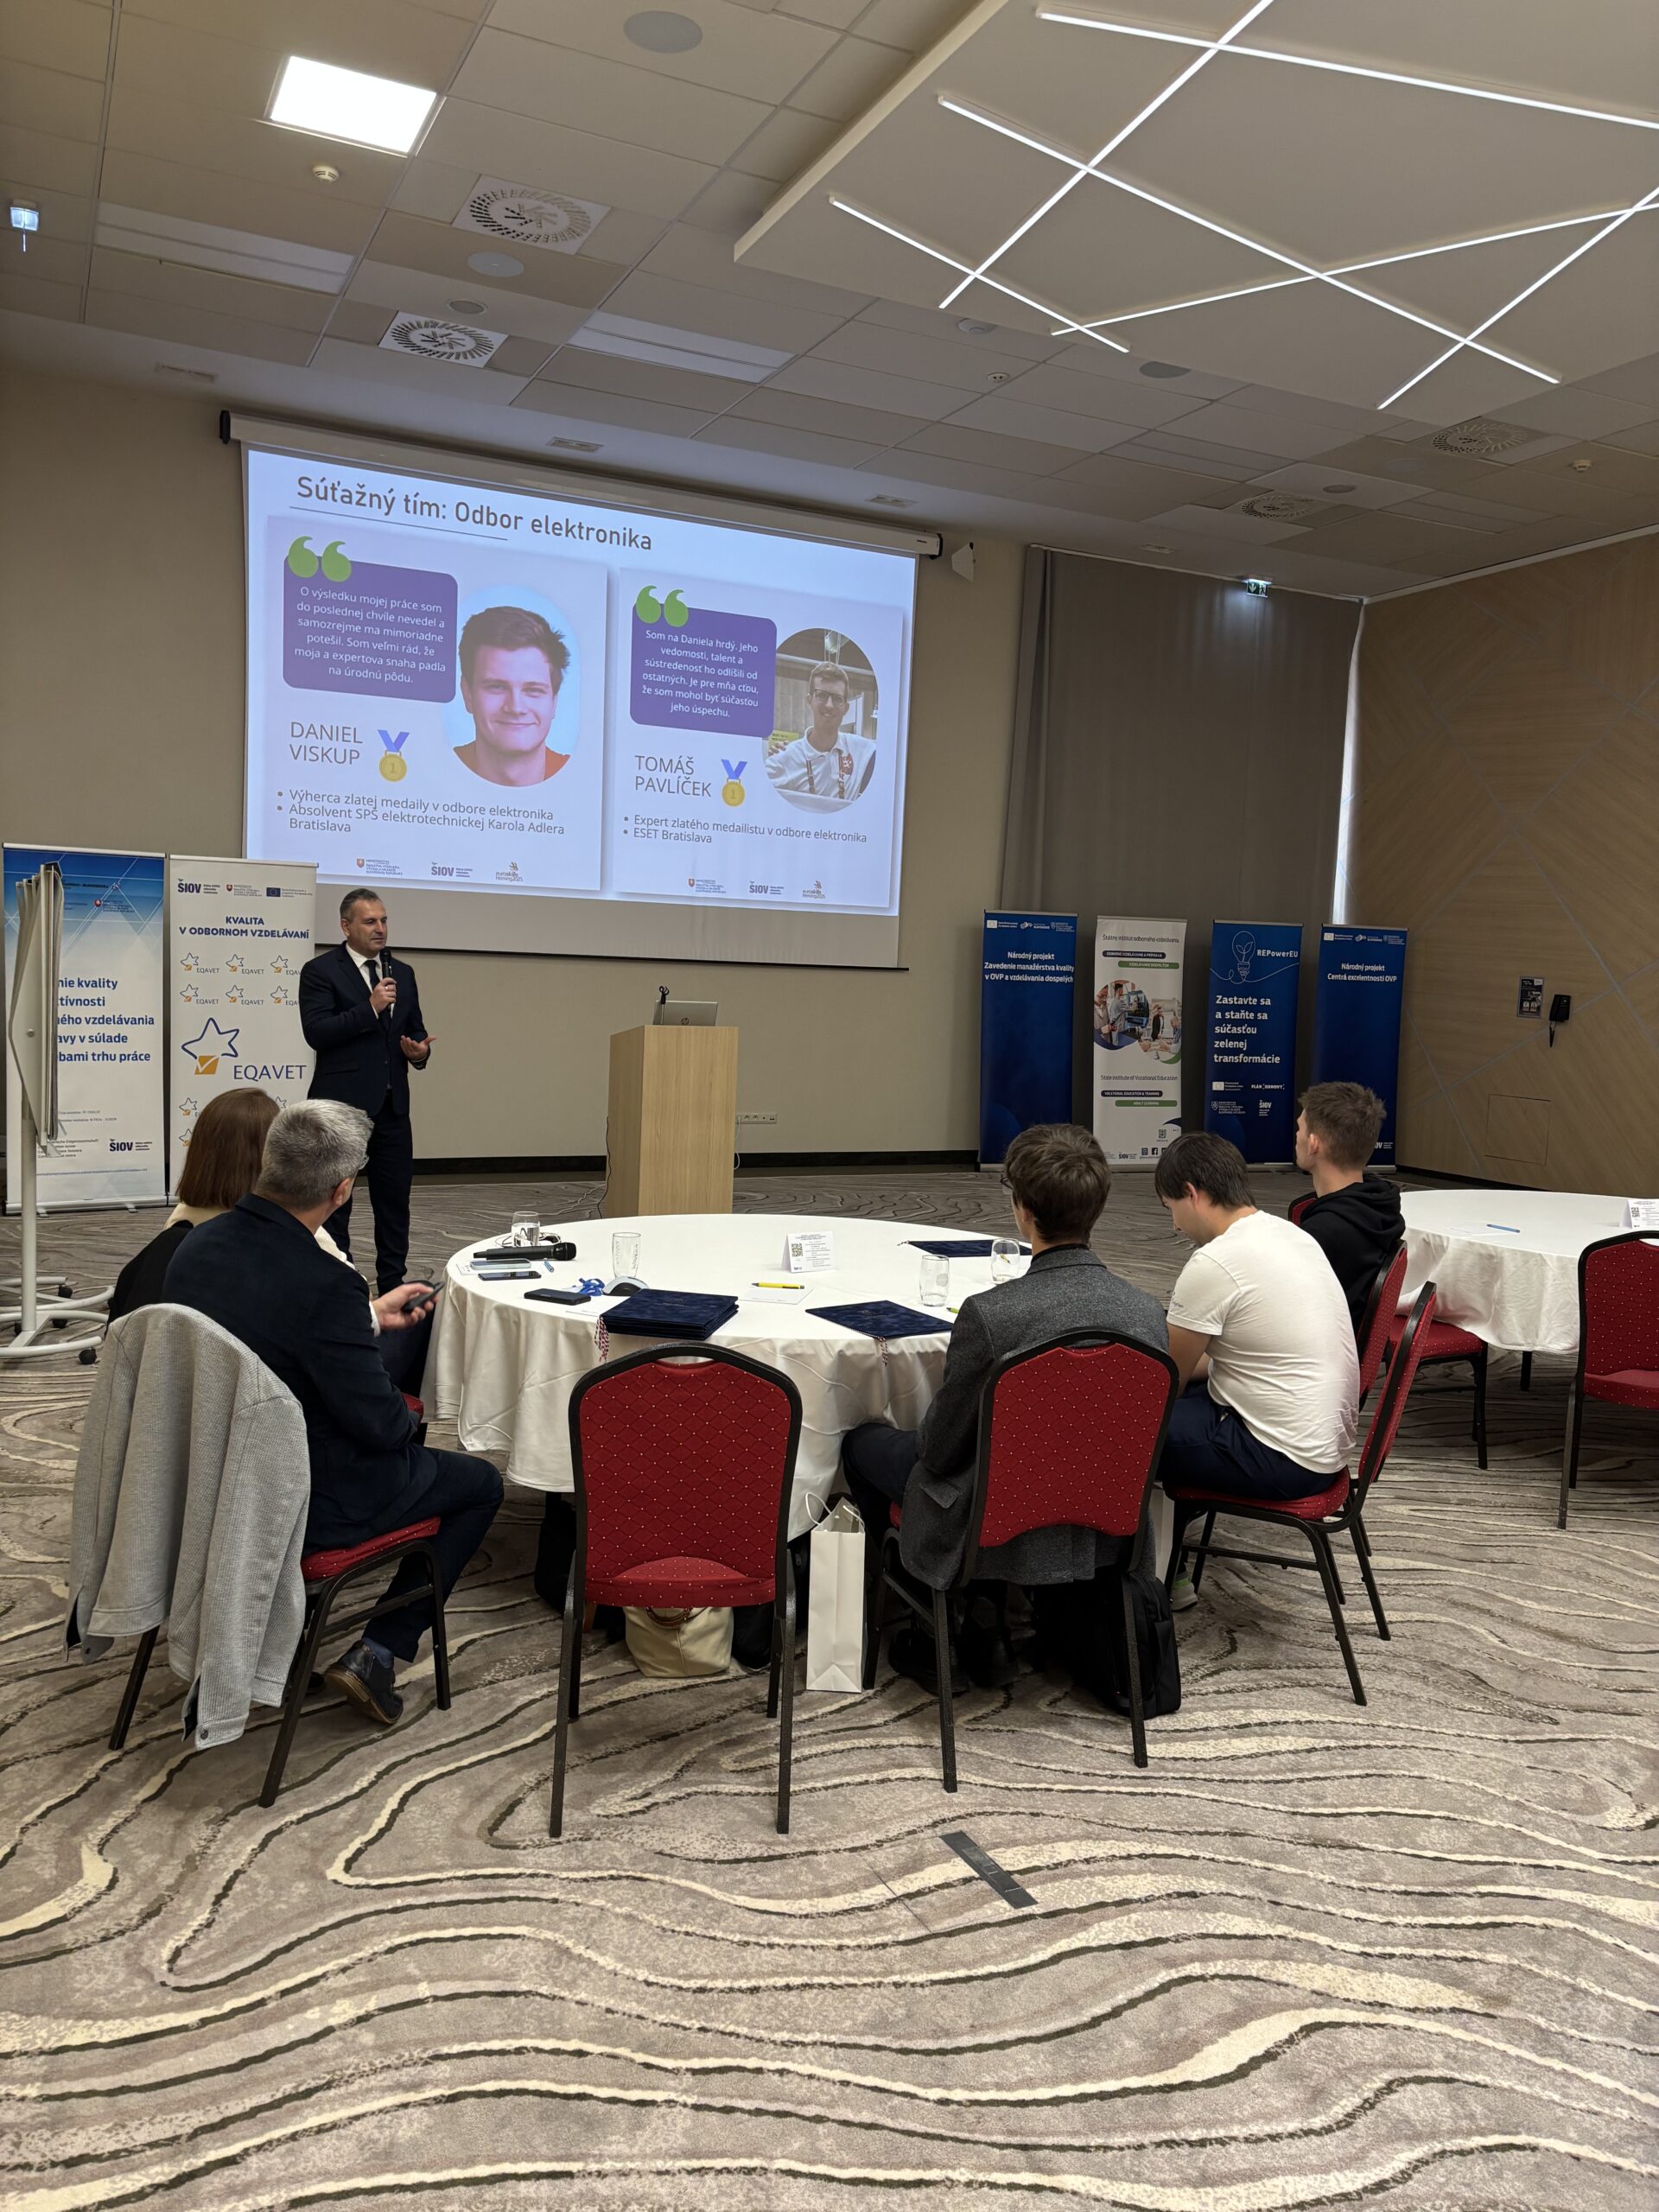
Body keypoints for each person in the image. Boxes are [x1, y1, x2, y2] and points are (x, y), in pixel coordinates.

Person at [164, 1101, 502, 1727]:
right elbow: (382, 1426)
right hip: (303, 1498)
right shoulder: (325, 1283)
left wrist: (365, 1319)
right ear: (342, 1190)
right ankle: (379, 1653)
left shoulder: (193, 1247)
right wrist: (404, 1409)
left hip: (206, 1474)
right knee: (480, 1484)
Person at [842, 1122, 1167, 1685]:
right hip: (1105, 1514)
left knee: (864, 1445)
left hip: (988, 1520)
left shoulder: (991, 1316)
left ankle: (930, 1623)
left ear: (1023, 1211)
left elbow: (939, 1451)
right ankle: (990, 1610)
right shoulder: (1145, 1313)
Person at [108, 1086, 434, 1389]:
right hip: (288, 1386)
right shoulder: (294, 1239)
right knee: (424, 1310)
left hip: (188, 1385)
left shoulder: (180, 1231)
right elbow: (347, 1309)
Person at [1154, 1131, 1357, 1526]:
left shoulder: (1215, 1262)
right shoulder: (1291, 1235)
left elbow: (1166, 1381)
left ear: (1191, 1194)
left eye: (1171, 1208)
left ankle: (1139, 1558)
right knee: (1177, 1403)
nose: (1175, 1225)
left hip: (1282, 1458)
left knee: (1118, 1432)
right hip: (1324, 1446)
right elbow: (1235, 1359)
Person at [299, 890, 432, 1294]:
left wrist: (419, 1052)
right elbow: (317, 1032)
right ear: (346, 926)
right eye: (370, 921)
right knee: (335, 1202)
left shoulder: (402, 972)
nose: (380, 929)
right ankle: (342, 1283)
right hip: (342, 1110)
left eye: (384, 920)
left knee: (394, 1203)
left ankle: (392, 1283)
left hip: (392, 1107)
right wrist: (370, 1008)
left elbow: (415, 1029)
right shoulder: (320, 971)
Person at [1293, 1082, 1403, 1333]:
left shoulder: (1322, 1233)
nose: (1296, 1136)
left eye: (1299, 1128)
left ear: (1313, 1144)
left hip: (1319, 1347)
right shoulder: (1380, 1208)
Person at [454, 606, 571, 786]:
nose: (516, 708)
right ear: (467, 693)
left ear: (554, 700)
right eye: (497, 687)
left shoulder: (584, 778)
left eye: (533, 690)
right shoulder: (434, 768)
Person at [766, 661, 876, 807]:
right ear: (809, 700)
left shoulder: (862, 749)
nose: (829, 705)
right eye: (822, 695)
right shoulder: (785, 759)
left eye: (837, 699)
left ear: (846, 708)